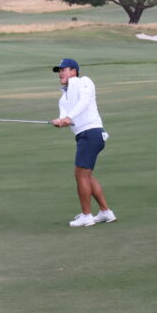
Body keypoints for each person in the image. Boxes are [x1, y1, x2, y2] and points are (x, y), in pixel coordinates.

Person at [50, 58, 117, 227]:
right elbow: (67, 119)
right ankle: (105, 212)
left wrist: (67, 118)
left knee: (80, 175)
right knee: (86, 176)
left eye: (63, 69)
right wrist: (60, 121)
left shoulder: (84, 82)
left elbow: (84, 102)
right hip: (83, 136)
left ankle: (86, 216)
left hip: (92, 132)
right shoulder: (62, 98)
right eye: (59, 71)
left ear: (74, 71)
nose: (60, 73)